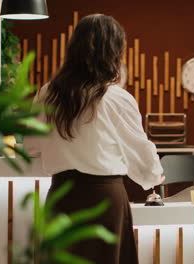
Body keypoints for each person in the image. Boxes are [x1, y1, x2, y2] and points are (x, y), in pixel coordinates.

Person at [25, 14, 163, 264]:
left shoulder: (48, 93)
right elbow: (143, 161)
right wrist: (153, 177)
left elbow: (31, 146)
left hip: (62, 198)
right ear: (113, 52)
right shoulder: (116, 98)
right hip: (104, 202)